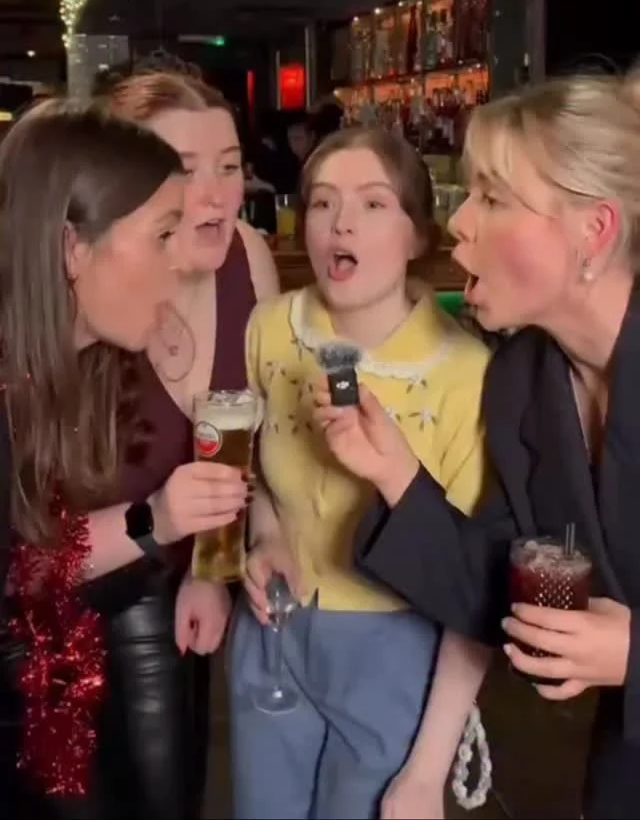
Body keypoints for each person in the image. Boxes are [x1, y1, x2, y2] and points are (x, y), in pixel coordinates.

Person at [315, 74, 640, 820]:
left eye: (492, 198)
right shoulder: (524, 380)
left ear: (593, 231)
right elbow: (500, 590)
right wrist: (398, 475)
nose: (458, 223)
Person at [228, 126, 490, 820]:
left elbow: (476, 583)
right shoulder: (269, 329)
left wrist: (428, 772)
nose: (341, 222)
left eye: (374, 204)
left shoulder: (467, 374)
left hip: (394, 649)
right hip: (272, 628)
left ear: (417, 235)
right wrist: (265, 535)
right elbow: (249, 462)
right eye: (323, 202)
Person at [0, 100, 249, 818]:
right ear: (74, 248)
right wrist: (153, 519)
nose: (179, 264)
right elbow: (22, 569)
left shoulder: (89, 365)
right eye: (162, 234)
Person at [104, 69, 279, 814]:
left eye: (230, 167)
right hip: (90, 594)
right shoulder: (93, 279)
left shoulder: (249, 256)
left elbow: (253, 441)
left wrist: (215, 565)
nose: (214, 196)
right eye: (184, 169)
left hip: (197, 584)